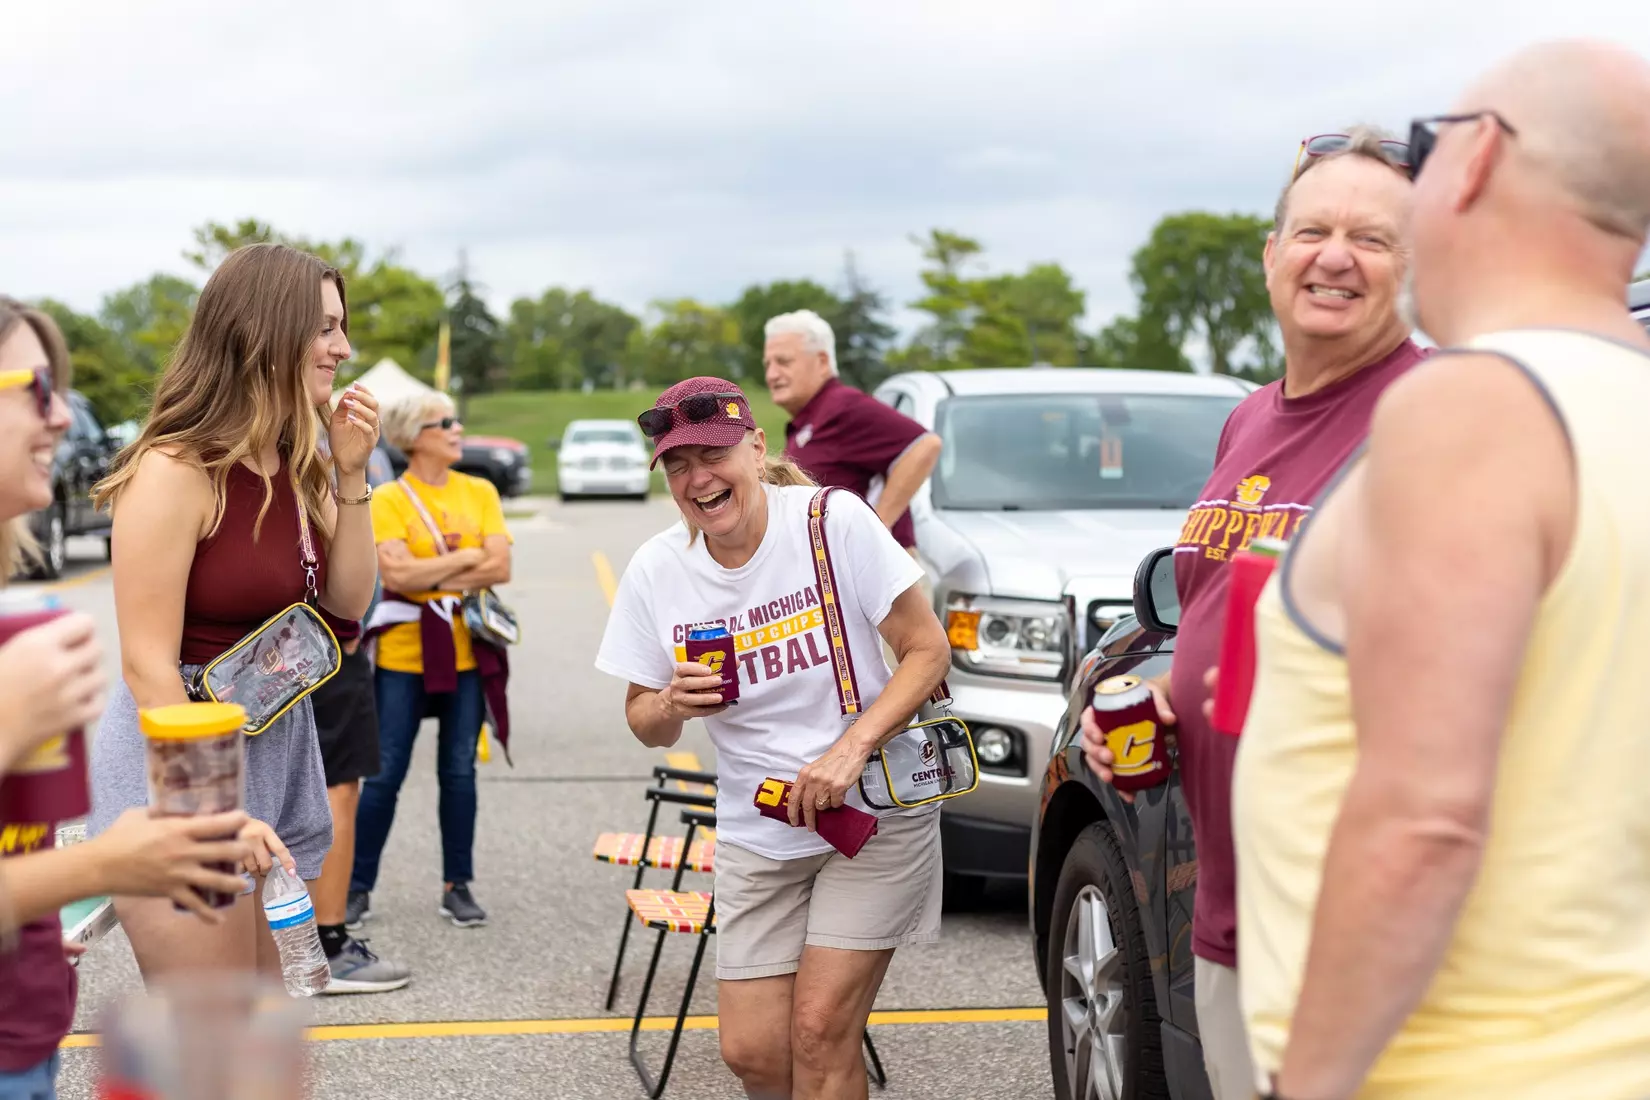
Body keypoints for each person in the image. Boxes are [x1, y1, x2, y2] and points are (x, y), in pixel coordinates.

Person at [1233, 41, 1650, 1100]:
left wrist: (1307, 1084)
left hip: (1457, 1066)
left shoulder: (1477, 404)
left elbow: (1426, 816)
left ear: (1474, 164)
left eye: (1428, 149)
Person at [1078, 127, 1427, 1099]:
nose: (1334, 256)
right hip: (1232, 909)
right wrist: (1163, 713)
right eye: (1312, 228)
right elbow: (1228, 613)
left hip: (1360, 929)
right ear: (1272, 253)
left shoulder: (1433, 412)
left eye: (1373, 237)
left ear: (1418, 265)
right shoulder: (1252, 417)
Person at [595, 376, 952, 1100]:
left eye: (712, 455)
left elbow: (928, 651)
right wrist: (671, 699)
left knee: (820, 1033)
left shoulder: (831, 523)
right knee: (752, 1051)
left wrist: (849, 749)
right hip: (760, 828)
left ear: (757, 449)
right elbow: (642, 723)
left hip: (870, 815)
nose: (698, 479)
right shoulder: (659, 570)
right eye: (677, 466)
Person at [87, 243, 382, 986]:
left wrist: (350, 474)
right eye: (324, 329)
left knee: (258, 1014)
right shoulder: (176, 469)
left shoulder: (296, 459)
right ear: (262, 332)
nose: (343, 348)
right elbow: (146, 664)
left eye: (341, 328)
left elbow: (348, 603)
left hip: (271, 738)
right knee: (212, 1026)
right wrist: (214, 808)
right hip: (184, 759)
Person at [0, 296, 258, 1100]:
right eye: (34, 390)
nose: (61, 420)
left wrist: (40, 920)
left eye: (61, 393)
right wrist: (110, 861)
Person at [349, 393, 513, 930]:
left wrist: (436, 571)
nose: (457, 428)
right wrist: (468, 558)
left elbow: (501, 567)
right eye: (444, 422)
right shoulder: (389, 498)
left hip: (466, 656)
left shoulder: (480, 489)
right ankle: (354, 887)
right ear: (414, 436)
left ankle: (457, 885)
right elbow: (395, 577)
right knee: (385, 774)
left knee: (459, 772)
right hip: (403, 657)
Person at [309, 435, 411, 993]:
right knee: (336, 792)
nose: (339, 348)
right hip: (318, 642)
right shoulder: (314, 440)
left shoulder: (321, 438)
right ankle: (326, 943)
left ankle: (307, 940)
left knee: (321, 794)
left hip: (302, 644)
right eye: (326, 338)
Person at [763, 310, 941, 559]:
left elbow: (924, 445)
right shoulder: (811, 418)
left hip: (882, 577)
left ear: (822, 361)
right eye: (768, 365)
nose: (771, 374)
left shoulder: (843, 405)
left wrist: (877, 528)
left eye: (783, 362)